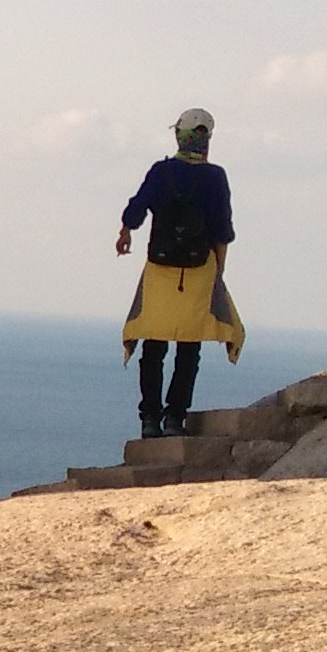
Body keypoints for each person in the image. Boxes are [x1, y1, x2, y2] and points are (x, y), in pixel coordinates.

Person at [118, 110, 244, 437]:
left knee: (153, 346)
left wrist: (126, 231)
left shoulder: (161, 172)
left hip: (160, 269)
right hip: (200, 268)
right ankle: (175, 418)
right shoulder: (216, 177)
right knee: (189, 347)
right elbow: (222, 229)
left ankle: (149, 419)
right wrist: (219, 271)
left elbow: (136, 208)